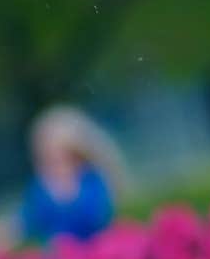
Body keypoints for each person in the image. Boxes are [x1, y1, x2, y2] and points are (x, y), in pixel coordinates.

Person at [15, 105, 128, 244]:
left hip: (95, 252)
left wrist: (66, 194)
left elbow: (98, 214)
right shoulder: (40, 188)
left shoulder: (90, 180)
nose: (57, 167)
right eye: (48, 159)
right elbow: (29, 218)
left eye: (63, 159)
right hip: (58, 258)